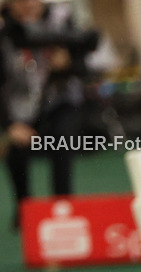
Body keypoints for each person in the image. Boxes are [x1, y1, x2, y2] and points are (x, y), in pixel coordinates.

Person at [0, 0, 97, 231]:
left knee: (62, 142)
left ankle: (62, 208)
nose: (30, 5)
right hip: (18, 105)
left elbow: (85, 65)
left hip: (58, 101)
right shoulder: (4, 27)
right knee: (15, 151)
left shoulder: (61, 19)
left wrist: (67, 64)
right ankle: (25, 208)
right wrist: (10, 125)